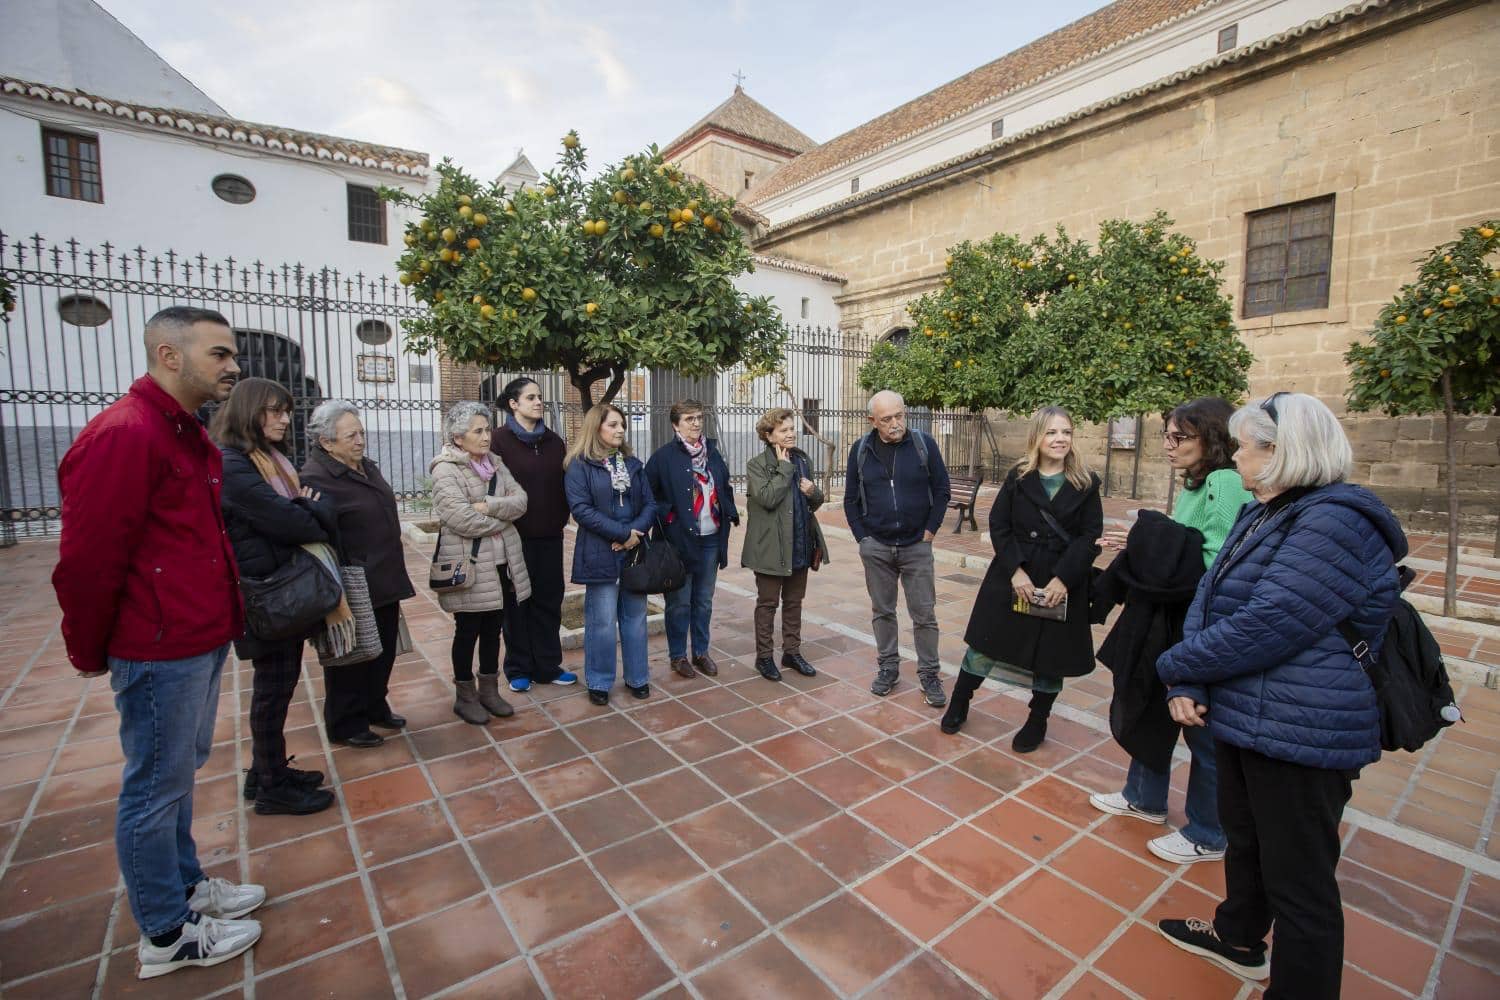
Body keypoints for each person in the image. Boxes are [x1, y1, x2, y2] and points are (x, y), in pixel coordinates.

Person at [1155, 392, 1404, 996]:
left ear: (1283, 453)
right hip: (1249, 714)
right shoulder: (1266, 509)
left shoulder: (1334, 521)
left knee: (1301, 883)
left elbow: (1271, 622)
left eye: (1246, 446)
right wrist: (1190, 677)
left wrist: (1172, 664)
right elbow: (1210, 596)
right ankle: (1239, 937)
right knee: (1248, 841)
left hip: (1302, 728)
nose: (1235, 456)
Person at [52, 306, 264, 978]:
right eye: (220, 355)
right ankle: (166, 933)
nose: (233, 367)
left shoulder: (183, 433)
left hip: (198, 637)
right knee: (153, 788)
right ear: (169, 356)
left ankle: (185, 885)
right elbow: (87, 560)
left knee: (176, 777)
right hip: (158, 646)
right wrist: (90, 649)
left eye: (232, 355)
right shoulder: (126, 435)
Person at [1088, 398, 1253, 864]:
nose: (1168, 444)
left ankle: (1207, 831)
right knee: (1151, 708)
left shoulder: (1223, 481)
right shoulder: (1198, 482)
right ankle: (1144, 797)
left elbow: (1218, 557)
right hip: (1173, 613)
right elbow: (1179, 543)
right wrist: (1139, 542)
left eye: (1180, 437)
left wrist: (1144, 540)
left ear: (1213, 439)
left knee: (1199, 728)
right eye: (1166, 434)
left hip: (1196, 619)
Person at [941, 406, 1102, 752]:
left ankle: (1037, 721)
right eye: (1052, 432)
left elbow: (1090, 537)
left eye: (1066, 432)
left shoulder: (1086, 482)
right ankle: (960, 702)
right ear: (1037, 437)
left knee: (1050, 658)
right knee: (984, 646)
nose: (1060, 439)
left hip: (1060, 581)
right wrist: (1016, 572)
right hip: (1015, 574)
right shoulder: (1019, 476)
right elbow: (999, 525)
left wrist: (1063, 580)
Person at [213, 377, 337, 816]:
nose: (286, 418)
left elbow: (300, 512)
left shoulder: (267, 459)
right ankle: (271, 786)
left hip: (279, 585)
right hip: (266, 593)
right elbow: (294, 521)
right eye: (275, 410)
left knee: (277, 688)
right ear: (249, 412)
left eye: (286, 410)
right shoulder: (234, 464)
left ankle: (264, 771)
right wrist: (309, 508)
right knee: (271, 691)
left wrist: (305, 509)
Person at [301, 400, 415, 747]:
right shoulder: (315, 478)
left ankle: (374, 706)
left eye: (361, 432)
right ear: (327, 442)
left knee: (381, 650)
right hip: (354, 580)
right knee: (350, 656)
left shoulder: (365, 466)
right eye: (351, 435)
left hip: (385, 574)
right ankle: (345, 722)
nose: (360, 440)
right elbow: (315, 535)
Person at [844, 390, 952, 706]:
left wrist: (930, 531)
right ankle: (888, 667)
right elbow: (851, 498)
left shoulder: (923, 444)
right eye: (887, 419)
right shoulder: (861, 450)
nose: (896, 423)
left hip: (917, 546)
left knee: (924, 614)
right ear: (872, 421)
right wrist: (862, 538)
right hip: (876, 546)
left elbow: (942, 489)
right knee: (883, 611)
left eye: (899, 415)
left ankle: (929, 674)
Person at [430, 401, 530, 724]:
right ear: (458, 438)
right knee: (468, 630)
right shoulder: (446, 469)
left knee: (493, 630)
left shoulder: (496, 465)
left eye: (487, 429)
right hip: (469, 565)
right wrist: (504, 520)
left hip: (501, 564)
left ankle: (489, 690)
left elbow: (521, 501)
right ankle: (465, 695)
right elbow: (460, 519)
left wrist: (488, 505)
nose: (486, 436)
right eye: (478, 431)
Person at [564, 404, 658, 706]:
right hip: (599, 552)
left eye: (622, 426)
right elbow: (581, 510)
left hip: (633, 551)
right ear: (597, 428)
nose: (620, 430)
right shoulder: (579, 465)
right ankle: (600, 681)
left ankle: (637, 677)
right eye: (613, 425)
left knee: (635, 617)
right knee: (602, 621)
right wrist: (621, 534)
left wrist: (633, 535)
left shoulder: (631, 463)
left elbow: (649, 505)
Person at [491, 378, 577, 692]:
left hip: (550, 538)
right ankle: (518, 667)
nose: (538, 402)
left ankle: (547, 665)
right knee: (516, 604)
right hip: (514, 539)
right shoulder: (498, 441)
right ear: (513, 404)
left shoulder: (554, 441)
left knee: (548, 601)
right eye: (531, 397)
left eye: (540, 397)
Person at [646, 399, 738, 679]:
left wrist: (729, 509)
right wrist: (670, 516)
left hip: (711, 539)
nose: (696, 423)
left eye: (699, 417)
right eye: (689, 419)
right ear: (676, 424)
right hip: (679, 542)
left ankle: (701, 651)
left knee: (704, 601)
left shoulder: (713, 454)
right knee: (679, 602)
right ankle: (678, 656)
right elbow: (648, 496)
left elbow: (725, 485)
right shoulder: (663, 458)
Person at [742, 407, 830, 681]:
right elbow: (767, 499)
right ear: (769, 436)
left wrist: (814, 492)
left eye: (792, 429)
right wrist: (783, 469)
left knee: (794, 602)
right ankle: (765, 657)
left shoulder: (802, 459)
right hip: (771, 546)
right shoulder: (757, 465)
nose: (791, 434)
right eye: (784, 430)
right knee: (768, 604)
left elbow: (814, 502)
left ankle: (791, 652)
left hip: (800, 543)